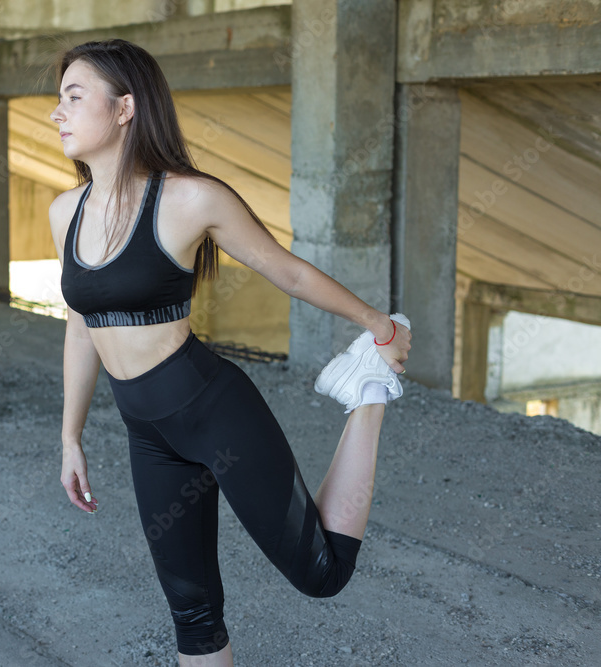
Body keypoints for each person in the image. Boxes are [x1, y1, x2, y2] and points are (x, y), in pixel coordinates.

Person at [48, 39, 412, 666]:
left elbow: (288, 272)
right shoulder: (65, 212)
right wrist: (70, 436)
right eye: (58, 99)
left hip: (213, 411)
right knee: (193, 618)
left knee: (321, 573)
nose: (57, 113)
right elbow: (82, 326)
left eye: (74, 97)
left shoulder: (190, 198)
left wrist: (378, 327)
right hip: (146, 432)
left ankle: (370, 393)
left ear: (126, 107)